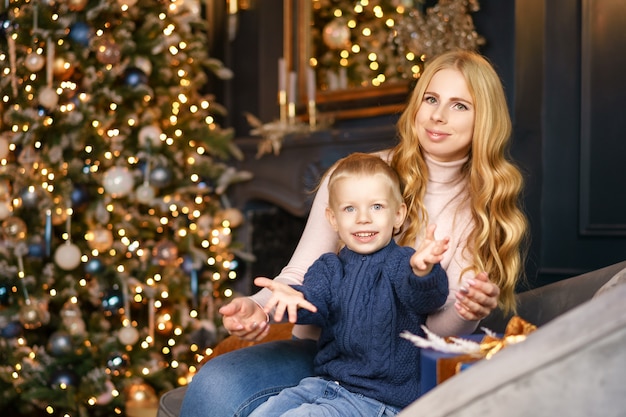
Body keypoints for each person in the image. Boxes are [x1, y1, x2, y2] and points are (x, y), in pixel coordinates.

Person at [180, 49, 528, 417]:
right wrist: (259, 308)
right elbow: (301, 275)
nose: (438, 115)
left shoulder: (482, 211)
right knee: (214, 383)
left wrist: (467, 310)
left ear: (484, 119)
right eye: (431, 99)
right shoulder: (357, 176)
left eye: (460, 105)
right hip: (323, 355)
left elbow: (432, 333)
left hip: (394, 375)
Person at [248, 152, 450, 417]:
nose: (363, 218)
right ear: (333, 219)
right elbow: (313, 301)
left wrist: (424, 272)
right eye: (349, 208)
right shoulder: (329, 267)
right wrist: (293, 298)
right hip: (325, 385)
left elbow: (428, 299)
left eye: (376, 207)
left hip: (379, 400)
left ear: (398, 215)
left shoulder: (403, 263)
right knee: (266, 412)